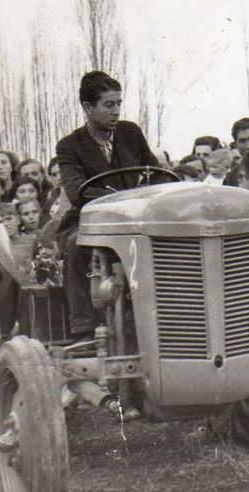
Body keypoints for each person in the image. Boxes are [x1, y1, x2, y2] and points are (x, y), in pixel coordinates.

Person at [55, 70, 159, 336]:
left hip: (136, 219)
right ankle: (83, 326)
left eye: (119, 104)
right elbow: (78, 191)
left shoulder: (130, 133)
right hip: (91, 222)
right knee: (76, 244)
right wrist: (126, 198)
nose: (116, 111)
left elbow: (155, 171)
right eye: (109, 104)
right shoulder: (69, 146)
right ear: (88, 107)